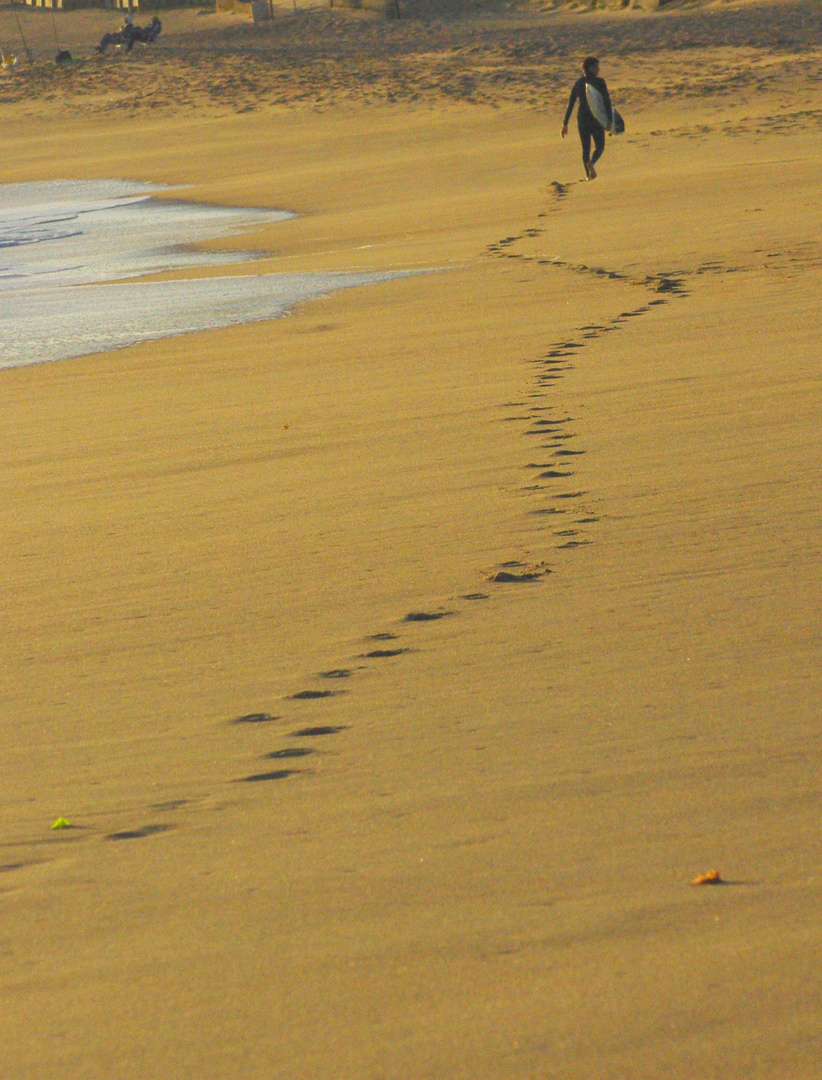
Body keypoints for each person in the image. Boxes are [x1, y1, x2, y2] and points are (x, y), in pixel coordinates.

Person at [561, 56, 613, 180]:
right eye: (596, 66)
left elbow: (571, 103)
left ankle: (588, 175)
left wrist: (565, 123)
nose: (598, 69)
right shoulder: (600, 82)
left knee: (585, 148)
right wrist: (609, 121)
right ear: (590, 67)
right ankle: (592, 162)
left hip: (582, 119)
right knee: (599, 146)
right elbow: (606, 101)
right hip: (595, 118)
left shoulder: (578, 83)